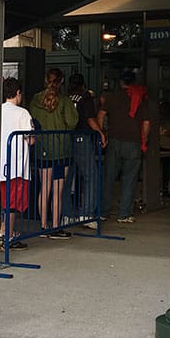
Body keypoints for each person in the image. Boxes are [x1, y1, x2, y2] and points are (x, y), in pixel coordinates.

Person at [28, 68, 78, 238]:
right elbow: (72, 122)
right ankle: (55, 226)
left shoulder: (35, 100)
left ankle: (43, 226)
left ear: (45, 80)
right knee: (58, 189)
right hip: (61, 150)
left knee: (44, 188)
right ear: (61, 81)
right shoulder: (64, 101)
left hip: (42, 149)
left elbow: (32, 122)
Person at [98, 70, 151, 223]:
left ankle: (104, 212)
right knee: (129, 179)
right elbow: (146, 123)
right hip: (133, 142)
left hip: (114, 141)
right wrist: (144, 139)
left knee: (109, 177)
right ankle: (124, 214)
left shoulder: (112, 97)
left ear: (121, 82)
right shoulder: (140, 98)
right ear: (133, 82)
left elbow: (101, 114)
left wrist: (101, 133)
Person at [61, 73, 106, 224]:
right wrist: (100, 133)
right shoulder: (85, 97)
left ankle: (67, 215)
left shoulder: (65, 98)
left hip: (66, 139)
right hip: (81, 138)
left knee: (66, 179)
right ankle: (86, 214)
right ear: (83, 84)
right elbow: (89, 118)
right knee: (91, 175)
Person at [0, 78, 34, 250]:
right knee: (13, 203)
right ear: (18, 93)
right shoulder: (22, 113)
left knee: (5, 200)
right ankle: (8, 235)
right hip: (18, 164)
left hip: (1, 163)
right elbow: (31, 139)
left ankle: (3, 230)